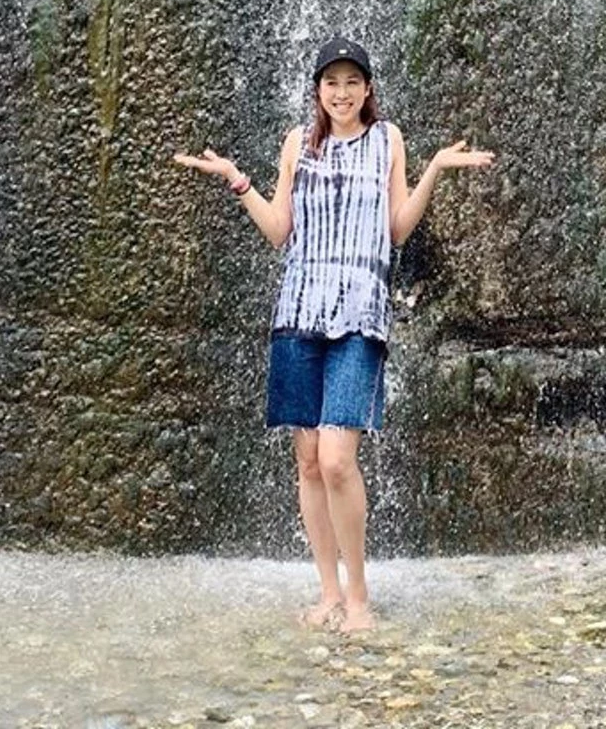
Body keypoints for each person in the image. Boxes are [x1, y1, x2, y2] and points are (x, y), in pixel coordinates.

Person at [173, 34, 496, 633]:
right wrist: (237, 182)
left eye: (352, 82)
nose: (341, 92)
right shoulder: (297, 143)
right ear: (318, 90)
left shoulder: (387, 141)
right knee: (308, 463)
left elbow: (397, 230)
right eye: (331, 82)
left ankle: (359, 596)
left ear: (367, 89)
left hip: (360, 317)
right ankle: (327, 592)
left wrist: (434, 172)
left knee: (338, 459)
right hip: (298, 313)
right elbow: (279, 231)